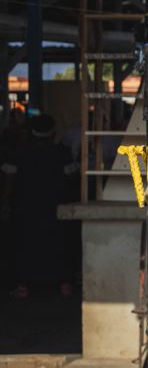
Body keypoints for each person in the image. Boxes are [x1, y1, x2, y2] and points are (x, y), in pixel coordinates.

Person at [2, 114, 77, 297]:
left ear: (30, 132)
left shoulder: (17, 152)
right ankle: (64, 283)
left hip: (25, 207)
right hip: (56, 206)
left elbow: (9, 181)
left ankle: (23, 286)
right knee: (58, 243)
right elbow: (73, 179)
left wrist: (5, 203)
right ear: (53, 133)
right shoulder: (62, 152)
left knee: (25, 244)